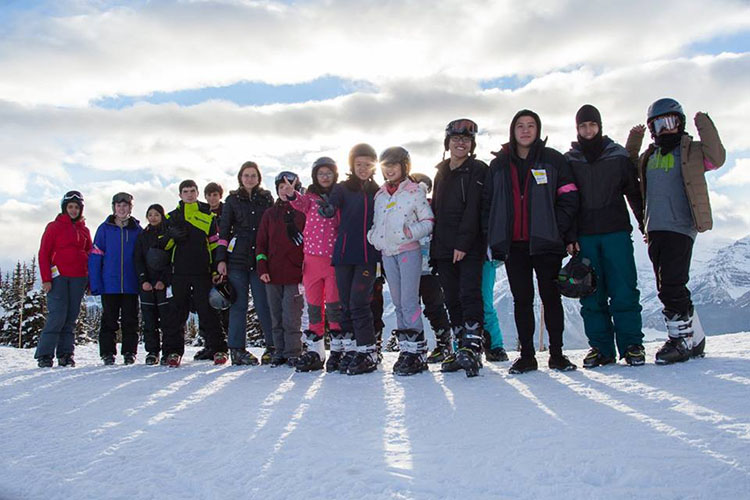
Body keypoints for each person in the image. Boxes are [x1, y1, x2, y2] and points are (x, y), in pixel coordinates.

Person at [626, 98, 725, 364]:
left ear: (680, 123)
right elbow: (627, 169)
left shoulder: (691, 152)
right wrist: (634, 141)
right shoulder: (649, 156)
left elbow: (717, 157)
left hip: (681, 225)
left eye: (671, 121)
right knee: (667, 283)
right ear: (652, 128)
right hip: (654, 226)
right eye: (659, 123)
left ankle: (679, 340)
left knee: (671, 284)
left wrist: (703, 122)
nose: (666, 128)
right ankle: (696, 338)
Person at [484, 110, 579, 374]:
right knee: (521, 300)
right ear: (512, 130)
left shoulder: (553, 160)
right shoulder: (499, 164)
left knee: (551, 298)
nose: (525, 130)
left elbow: (569, 198)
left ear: (538, 129)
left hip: (546, 243)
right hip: (514, 245)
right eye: (520, 126)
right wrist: (493, 237)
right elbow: (488, 205)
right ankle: (527, 355)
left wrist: (556, 229)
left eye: (531, 125)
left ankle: (557, 354)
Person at [564, 104, 646, 368]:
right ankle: (601, 348)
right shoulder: (570, 160)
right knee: (589, 292)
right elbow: (566, 200)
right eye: (583, 126)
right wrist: (569, 235)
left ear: (600, 126)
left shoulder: (617, 156)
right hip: (585, 237)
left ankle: (632, 345)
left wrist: (645, 224)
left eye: (592, 125)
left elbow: (633, 192)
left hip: (616, 232)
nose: (588, 130)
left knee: (624, 289)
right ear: (577, 129)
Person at [368, 147, 434, 375]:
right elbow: (377, 223)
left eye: (394, 165)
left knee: (409, 301)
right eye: (385, 166)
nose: (389, 170)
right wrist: (374, 236)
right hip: (387, 253)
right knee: (397, 301)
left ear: (404, 166)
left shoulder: (414, 192)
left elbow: (428, 221)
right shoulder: (380, 195)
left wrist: (409, 232)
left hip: (408, 251)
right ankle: (406, 349)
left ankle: (417, 352)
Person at [430, 119, 488, 377]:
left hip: (469, 245)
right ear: (448, 142)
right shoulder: (441, 172)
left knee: (469, 294)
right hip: (443, 246)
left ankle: (472, 348)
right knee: (451, 297)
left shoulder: (478, 170)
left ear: (472, 144)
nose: (461, 143)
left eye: (466, 140)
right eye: (456, 139)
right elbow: (438, 212)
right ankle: (459, 347)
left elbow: (476, 208)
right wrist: (436, 248)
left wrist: (463, 243)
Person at [319, 144, 381, 375]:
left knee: (359, 303)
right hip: (344, 255)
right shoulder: (343, 188)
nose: (363, 168)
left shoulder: (377, 191)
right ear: (352, 166)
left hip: (366, 255)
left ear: (374, 166)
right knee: (345, 304)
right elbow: (333, 203)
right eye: (358, 164)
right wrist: (327, 209)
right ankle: (351, 349)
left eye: (367, 164)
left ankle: (367, 351)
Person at [162, 180, 227, 367]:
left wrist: (216, 269)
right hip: (179, 272)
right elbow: (162, 247)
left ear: (197, 193)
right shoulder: (171, 217)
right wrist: (170, 236)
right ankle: (172, 352)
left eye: (192, 191)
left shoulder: (207, 214)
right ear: (180, 195)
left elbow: (215, 245)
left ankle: (219, 349)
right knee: (177, 313)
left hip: (202, 271)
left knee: (208, 311)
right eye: (185, 191)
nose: (189, 194)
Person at [216, 162, 275, 365]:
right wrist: (221, 259)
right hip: (237, 260)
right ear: (240, 178)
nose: (249, 178)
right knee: (238, 305)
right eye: (246, 175)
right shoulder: (232, 200)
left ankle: (272, 347)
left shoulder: (266, 198)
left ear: (259, 178)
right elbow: (223, 232)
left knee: (264, 304)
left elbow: (273, 228)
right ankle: (237, 350)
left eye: (253, 175)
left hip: (260, 258)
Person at [289, 157, 343, 373]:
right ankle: (316, 350)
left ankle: (337, 350)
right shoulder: (310, 199)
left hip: (333, 261)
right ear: (315, 176)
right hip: (311, 261)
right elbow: (298, 202)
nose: (325, 177)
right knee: (313, 306)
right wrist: (292, 193)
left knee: (333, 305)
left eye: (329, 173)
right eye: (321, 173)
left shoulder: (340, 197)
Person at [34, 191, 92, 368]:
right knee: (57, 316)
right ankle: (45, 355)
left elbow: (90, 255)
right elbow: (44, 253)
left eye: (76, 207)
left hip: (79, 278)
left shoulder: (84, 230)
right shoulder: (54, 227)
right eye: (70, 207)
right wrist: (46, 279)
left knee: (71, 317)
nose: (73, 210)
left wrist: (89, 282)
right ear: (65, 208)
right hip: (58, 278)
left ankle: (66, 354)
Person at [256, 171, 306, 367]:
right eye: (282, 187)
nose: (286, 191)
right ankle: (279, 351)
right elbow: (261, 243)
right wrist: (262, 267)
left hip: (295, 274)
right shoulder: (270, 214)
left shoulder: (302, 213)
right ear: (277, 190)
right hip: (272, 274)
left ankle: (294, 351)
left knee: (291, 316)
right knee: (275, 315)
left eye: (290, 187)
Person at [89, 192, 142, 365]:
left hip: (130, 284)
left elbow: (142, 257)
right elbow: (96, 257)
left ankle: (129, 352)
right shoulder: (104, 229)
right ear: (114, 208)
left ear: (130, 208)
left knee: (130, 320)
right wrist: (95, 282)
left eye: (125, 205)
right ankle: (107, 353)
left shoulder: (136, 230)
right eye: (118, 205)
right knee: (109, 320)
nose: (121, 208)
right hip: (109, 284)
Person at [133, 204, 172, 365]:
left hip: (163, 284)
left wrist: (163, 280)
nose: (153, 217)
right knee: (149, 320)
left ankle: (168, 351)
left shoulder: (168, 234)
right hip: (147, 284)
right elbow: (138, 259)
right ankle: (152, 351)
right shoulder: (143, 236)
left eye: (156, 214)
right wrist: (143, 280)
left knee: (167, 320)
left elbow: (171, 259)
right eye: (150, 215)